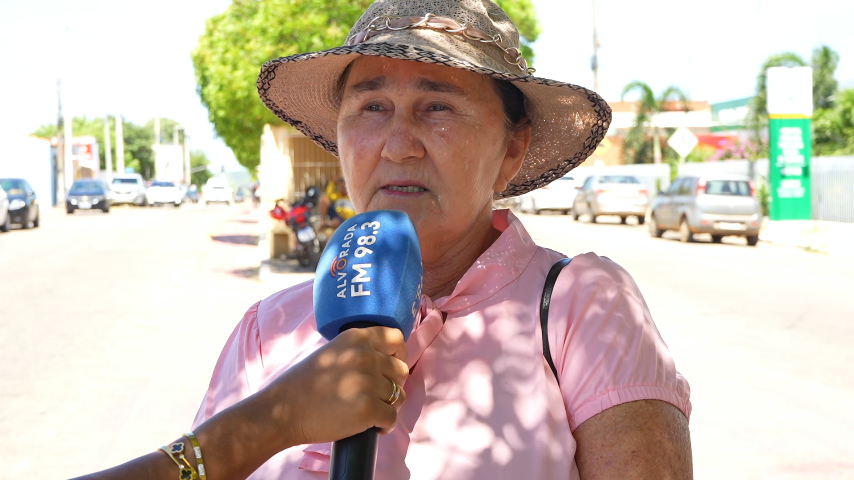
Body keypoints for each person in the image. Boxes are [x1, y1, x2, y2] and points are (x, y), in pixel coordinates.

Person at [75, 0, 692, 479]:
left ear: (512, 148)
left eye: (437, 108)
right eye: (371, 108)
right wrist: (272, 420)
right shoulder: (269, 330)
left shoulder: (581, 306)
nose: (398, 145)